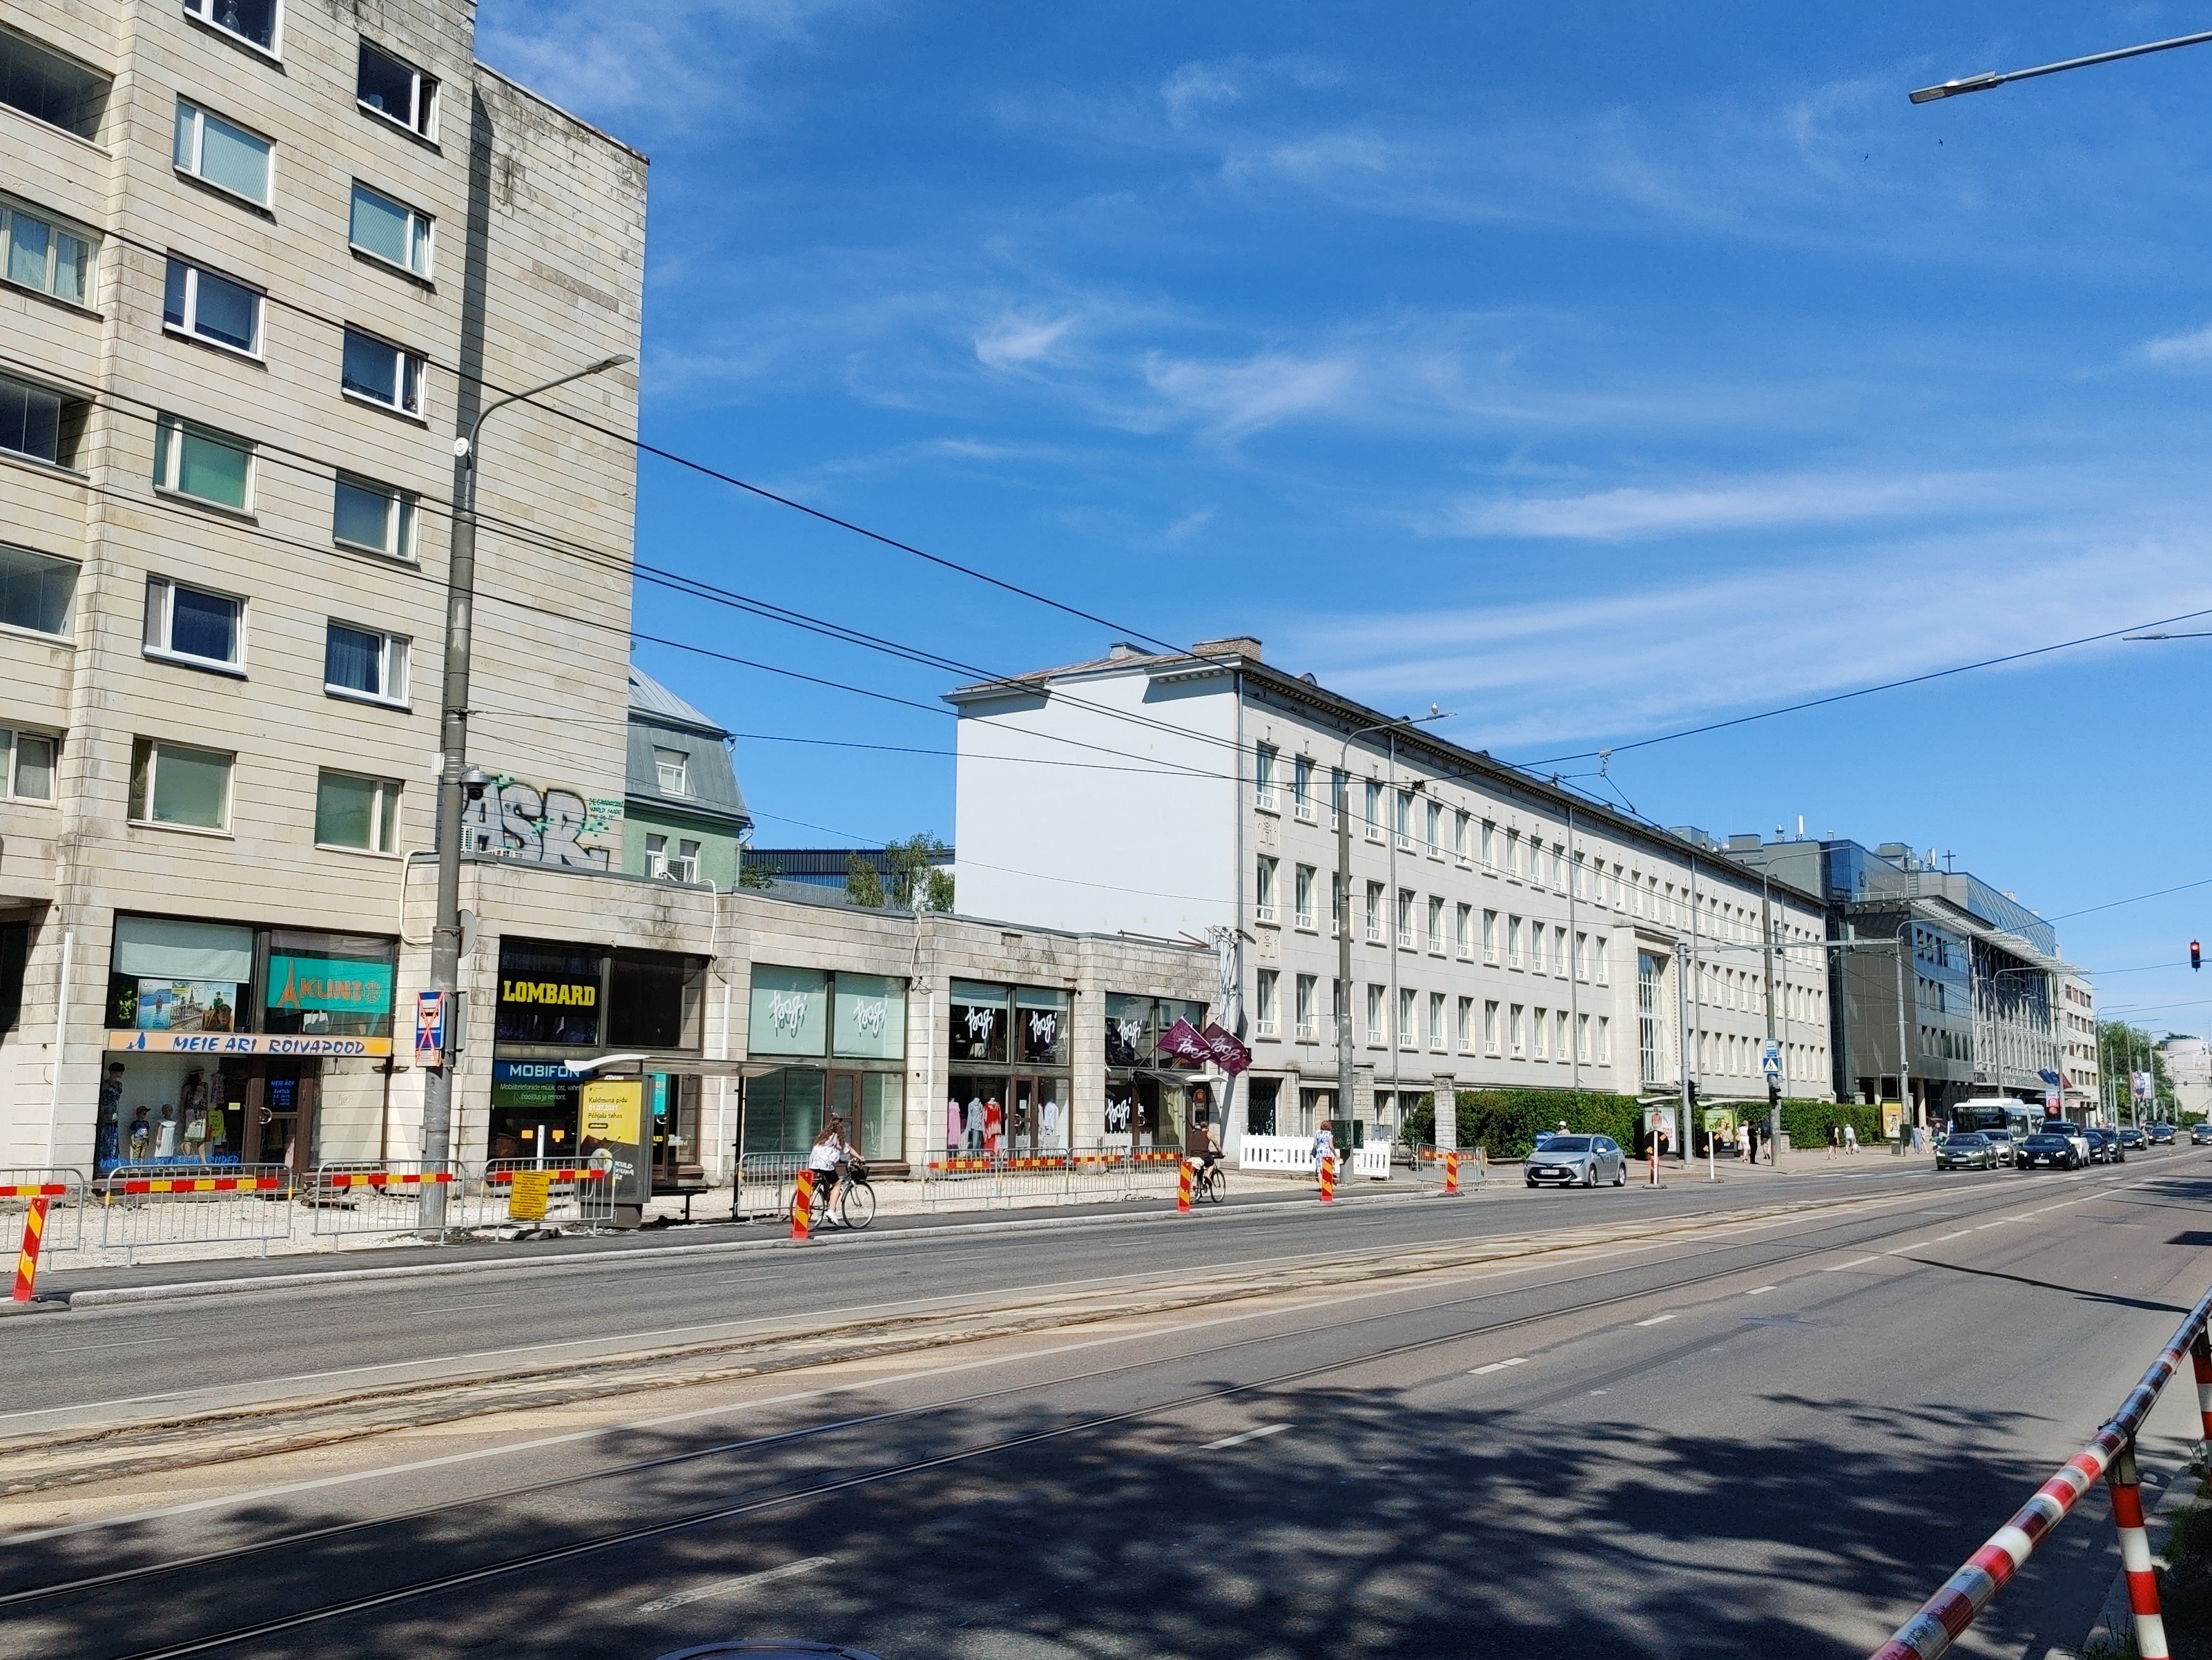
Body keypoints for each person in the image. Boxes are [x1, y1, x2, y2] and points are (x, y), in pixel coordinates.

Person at [807, 1117, 851, 1226]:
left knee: (812, 1187)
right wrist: (860, 1158)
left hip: (813, 1164)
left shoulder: (822, 1136)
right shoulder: (837, 1137)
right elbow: (848, 1149)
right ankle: (831, 1211)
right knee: (837, 1184)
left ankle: (807, 1209)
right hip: (826, 1165)